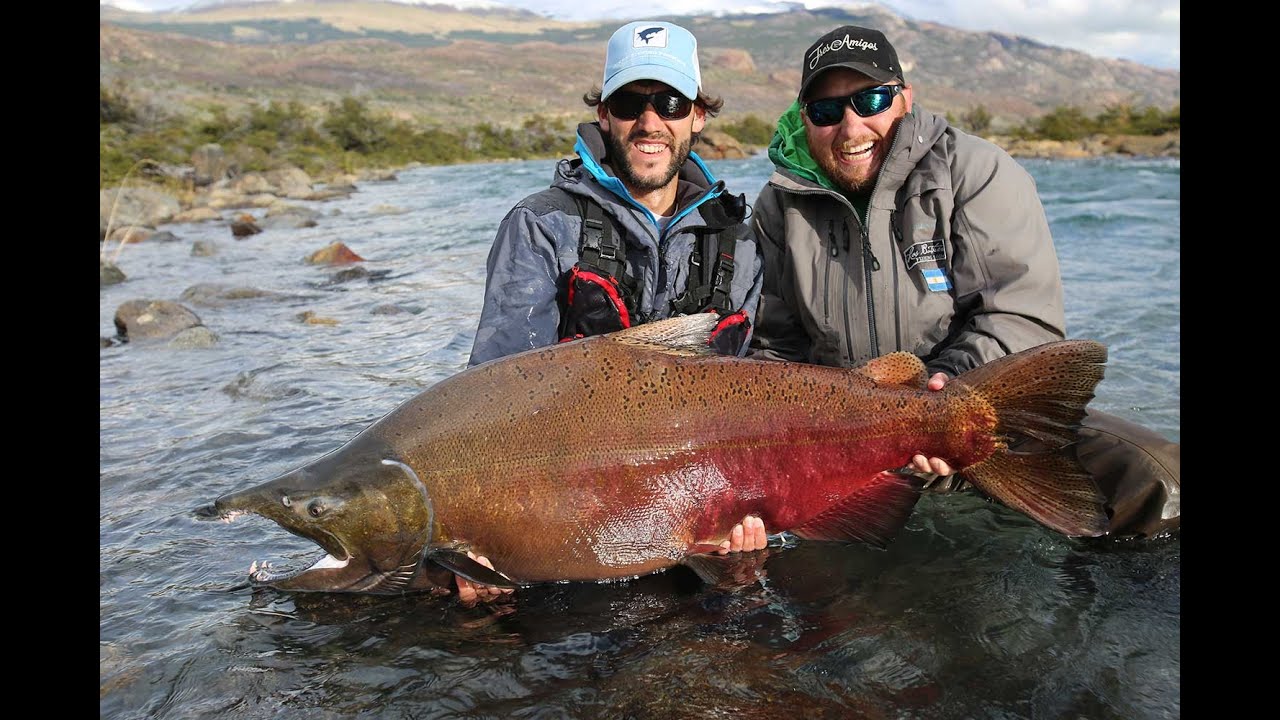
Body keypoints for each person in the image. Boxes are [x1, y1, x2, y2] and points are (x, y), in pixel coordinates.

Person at [745, 24, 1179, 541]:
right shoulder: (777, 207)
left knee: (1160, 484)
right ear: (804, 118)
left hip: (980, 409)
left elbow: (1021, 316)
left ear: (905, 98)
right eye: (825, 111)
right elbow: (775, 348)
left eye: (871, 100)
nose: (851, 126)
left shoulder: (975, 169)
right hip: (845, 442)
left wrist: (940, 395)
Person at [457, 20, 769, 604]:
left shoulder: (743, 242)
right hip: (565, 530)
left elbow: (758, 394)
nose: (650, 122)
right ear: (603, 115)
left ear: (698, 117)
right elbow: (493, 400)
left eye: (670, 103)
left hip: (701, 517)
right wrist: (474, 532)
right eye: (630, 104)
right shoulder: (540, 225)